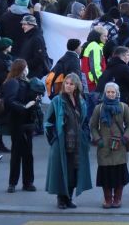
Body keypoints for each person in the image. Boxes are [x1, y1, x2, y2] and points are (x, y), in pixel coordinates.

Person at [44, 72, 92, 209]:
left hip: (77, 142)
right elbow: (48, 122)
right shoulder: (57, 101)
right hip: (61, 142)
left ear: (76, 86)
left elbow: (85, 122)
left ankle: (69, 198)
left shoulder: (81, 102)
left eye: (71, 84)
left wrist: (85, 136)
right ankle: (61, 199)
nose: (68, 86)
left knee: (73, 171)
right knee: (60, 170)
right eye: (66, 83)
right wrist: (54, 138)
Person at [89, 82, 129, 208]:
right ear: (105, 93)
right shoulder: (99, 108)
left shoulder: (124, 107)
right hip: (104, 147)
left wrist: (125, 137)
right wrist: (98, 140)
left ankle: (117, 199)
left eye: (112, 92)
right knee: (106, 176)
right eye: (108, 92)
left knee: (119, 175)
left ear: (117, 93)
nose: (110, 94)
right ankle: (108, 199)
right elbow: (92, 126)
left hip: (120, 146)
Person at [0, 58, 37, 192]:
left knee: (26, 153)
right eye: (25, 67)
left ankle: (24, 182)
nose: (27, 69)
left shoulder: (23, 82)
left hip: (25, 122)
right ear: (21, 69)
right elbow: (10, 101)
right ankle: (16, 183)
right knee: (19, 153)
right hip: (18, 121)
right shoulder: (14, 83)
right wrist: (25, 107)